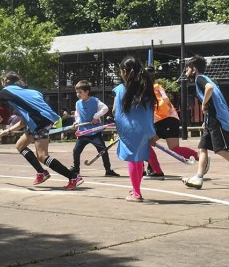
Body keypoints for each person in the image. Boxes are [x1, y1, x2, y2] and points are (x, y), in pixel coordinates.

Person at [0, 71, 83, 189]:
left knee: (42, 156)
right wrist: (5, 132)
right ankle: (41, 172)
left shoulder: (7, 91)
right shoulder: (31, 93)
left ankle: (73, 176)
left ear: (6, 81)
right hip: (38, 121)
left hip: (40, 122)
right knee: (20, 145)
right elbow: (23, 122)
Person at [181, 55, 229, 190]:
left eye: (187, 69)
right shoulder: (205, 78)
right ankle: (199, 177)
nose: (186, 72)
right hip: (211, 120)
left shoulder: (200, 79)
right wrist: (205, 120)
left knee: (220, 149)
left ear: (194, 69)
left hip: (217, 120)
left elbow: (209, 89)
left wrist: (203, 105)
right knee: (202, 147)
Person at [112, 57, 157, 202]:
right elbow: (150, 112)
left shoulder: (120, 89)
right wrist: (152, 133)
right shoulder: (147, 88)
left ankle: (136, 193)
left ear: (124, 72)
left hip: (130, 129)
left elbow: (115, 112)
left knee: (132, 159)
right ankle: (136, 188)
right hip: (145, 129)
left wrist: (120, 130)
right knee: (138, 160)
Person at [69, 80, 117, 177]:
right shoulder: (78, 103)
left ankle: (108, 170)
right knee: (76, 151)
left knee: (103, 150)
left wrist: (96, 116)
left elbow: (105, 108)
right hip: (83, 132)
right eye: (77, 92)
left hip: (95, 132)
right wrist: (76, 122)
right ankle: (76, 168)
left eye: (80, 92)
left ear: (87, 92)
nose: (78, 94)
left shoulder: (95, 101)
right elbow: (78, 115)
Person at [150, 78, 197, 171]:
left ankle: (156, 171)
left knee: (147, 145)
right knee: (147, 144)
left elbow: (166, 101)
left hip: (166, 120)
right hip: (166, 120)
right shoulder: (157, 88)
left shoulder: (155, 88)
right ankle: (154, 170)